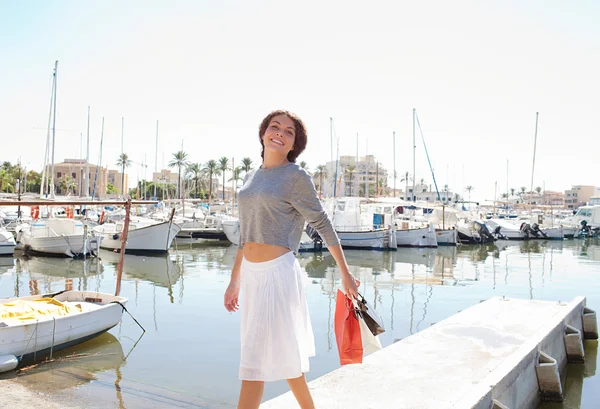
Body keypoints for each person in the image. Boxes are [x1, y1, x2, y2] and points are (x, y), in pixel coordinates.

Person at [224, 110, 359, 409]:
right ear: (263, 133)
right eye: (275, 127)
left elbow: (323, 224)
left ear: (293, 145)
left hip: (278, 274)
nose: (280, 133)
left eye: (288, 132)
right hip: (253, 276)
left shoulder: (296, 177)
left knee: (253, 362)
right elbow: (245, 235)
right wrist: (235, 281)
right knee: (280, 359)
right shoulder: (250, 178)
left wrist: (345, 274)